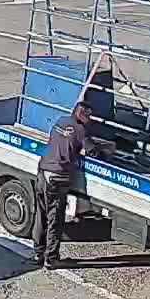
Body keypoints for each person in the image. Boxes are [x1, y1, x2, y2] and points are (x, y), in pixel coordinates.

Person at [36, 101, 92, 267]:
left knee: (41, 215)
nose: (90, 119)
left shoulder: (61, 120)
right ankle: (51, 258)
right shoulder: (81, 130)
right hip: (58, 176)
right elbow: (92, 150)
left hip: (43, 170)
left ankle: (38, 253)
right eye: (88, 116)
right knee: (55, 218)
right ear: (82, 115)